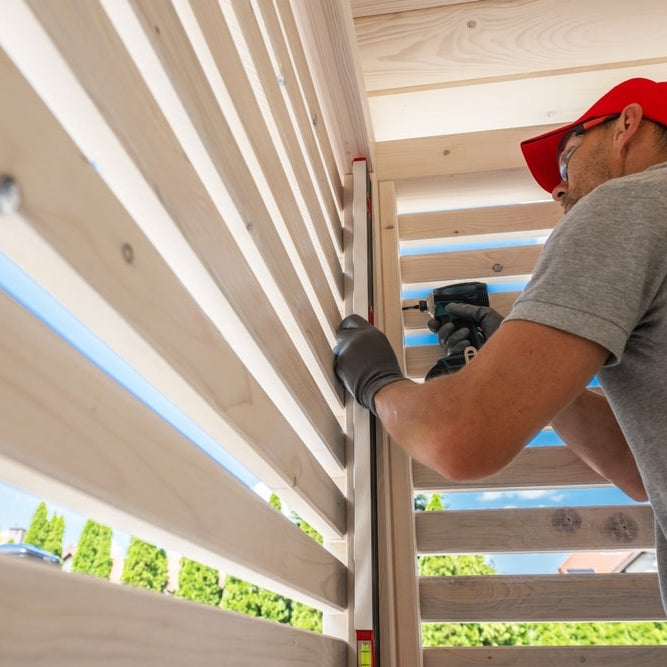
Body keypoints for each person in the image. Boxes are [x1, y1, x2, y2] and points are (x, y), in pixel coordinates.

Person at [334, 78, 667, 609]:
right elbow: (639, 468)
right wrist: (515, 368)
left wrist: (378, 382)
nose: (559, 192)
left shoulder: (630, 204)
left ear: (626, 125)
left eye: (566, 161)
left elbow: (461, 436)